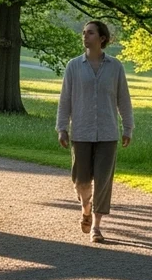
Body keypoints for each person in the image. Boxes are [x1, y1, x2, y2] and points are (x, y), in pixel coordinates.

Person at [56, 20, 133, 244]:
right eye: (84, 33)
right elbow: (65, 100)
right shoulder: (73, 66)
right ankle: (86, 208)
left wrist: (128, 127)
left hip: (108, 134)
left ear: (101, 38)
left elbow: (124, 100)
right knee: (81, 181)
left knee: (103, 181)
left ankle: (96, 228)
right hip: (80, 132)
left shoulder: (115, 67)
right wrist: (62, 127)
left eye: (90, 33)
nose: (85, 36)